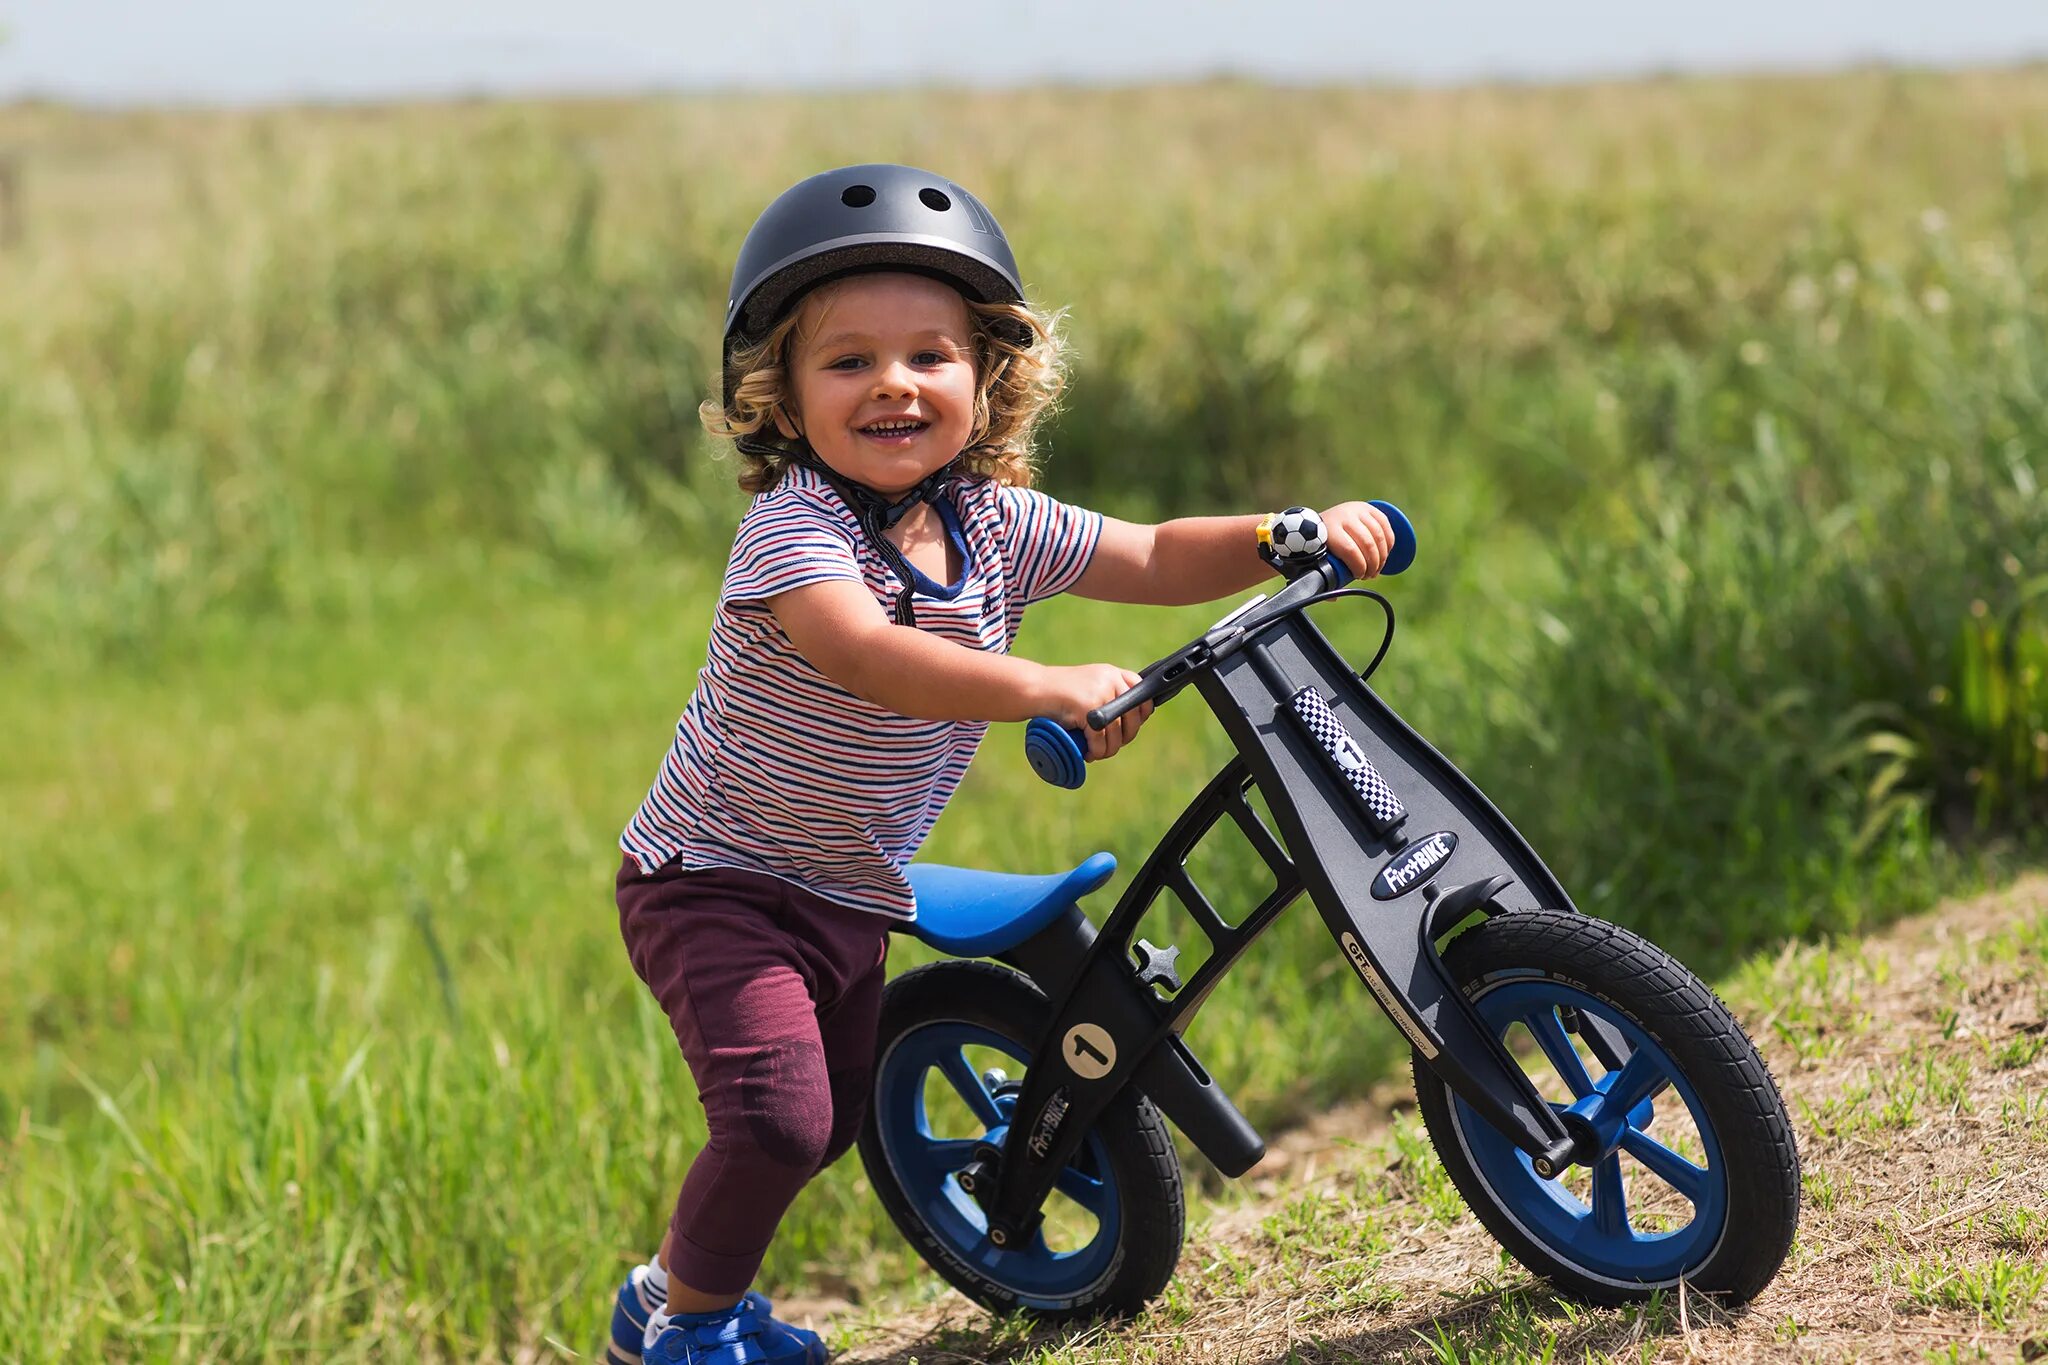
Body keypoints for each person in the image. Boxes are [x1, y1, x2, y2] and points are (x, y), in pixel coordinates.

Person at [606, 163, 1396, 1365]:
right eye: (846, 362)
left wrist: (1280, 535)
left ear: (988, 378)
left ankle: (668, 1286)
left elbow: (1143, 555)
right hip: (714, 880)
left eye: (929, 355)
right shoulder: (791, 532)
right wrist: (1045, 684)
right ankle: (682, 1338)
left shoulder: (991, 524)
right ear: (777, 398)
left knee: (817, 1132)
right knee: (775, 1119)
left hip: (849, 883)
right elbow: (874, 659)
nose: (892, 385)